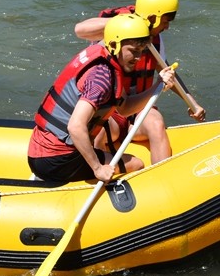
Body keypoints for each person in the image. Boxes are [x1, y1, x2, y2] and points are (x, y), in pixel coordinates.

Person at [28, 13, 179, 184]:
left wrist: (158, 85)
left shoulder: (104, 56)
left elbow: (125, 107)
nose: (138, 58)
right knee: (136, 164)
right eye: (133, 51)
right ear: (115, 45)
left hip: (40, 151)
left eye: (141, 51)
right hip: (58, 160)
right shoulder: (101, 79)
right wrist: (98, 169)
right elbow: (76, 126)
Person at [73, 0, 207, 164]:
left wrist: (192, 103)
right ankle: (98, 175)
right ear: (153, 17)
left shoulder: (155, 40)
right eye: (166, 21)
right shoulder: (117, 29)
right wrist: (132, 23)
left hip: (138, 108)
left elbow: (165, 71)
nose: (167, 27)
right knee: (99, 134)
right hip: (111, 109)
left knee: (156, 122)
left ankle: (162, 176)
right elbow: (80, 30)